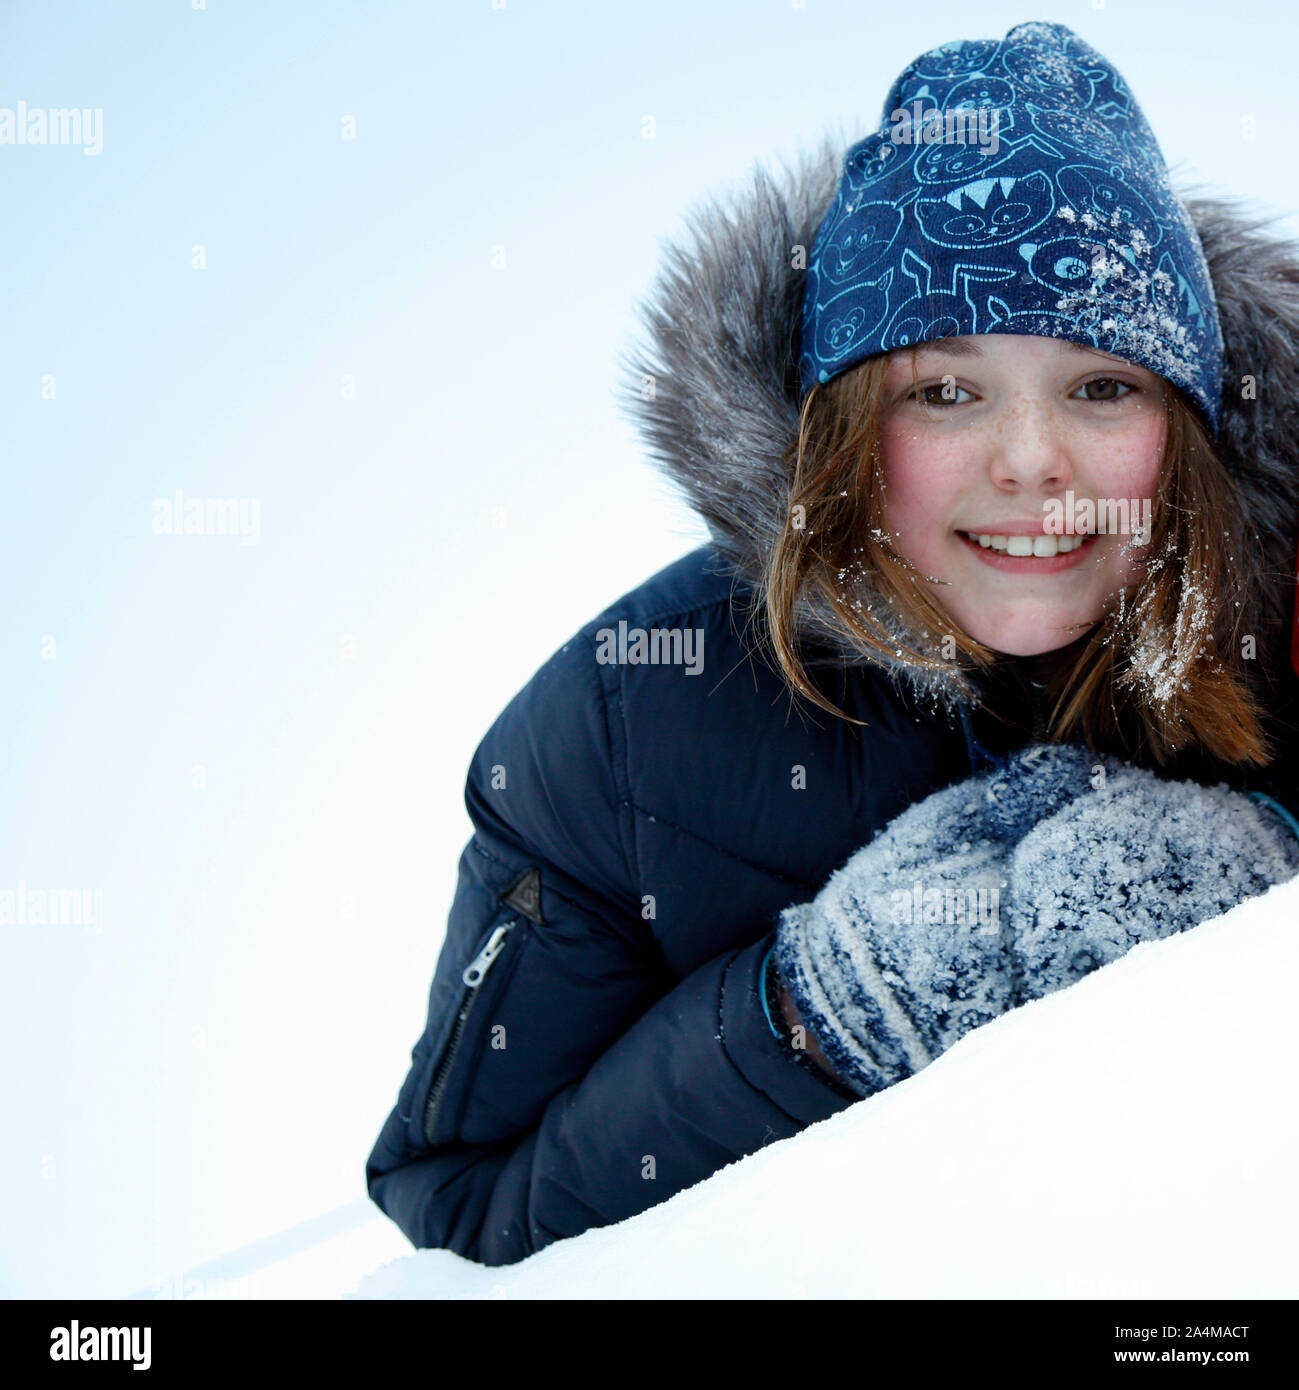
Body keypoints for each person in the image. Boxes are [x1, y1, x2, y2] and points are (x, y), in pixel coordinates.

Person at [365, 20, 1299, 1264]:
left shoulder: (1279, 611)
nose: (1031, 462)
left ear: (1181, 424)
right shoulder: (626, 731)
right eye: (947, 391)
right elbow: (459, 1213)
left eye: (1101, 386)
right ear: (853, 431)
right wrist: (820, 1012)